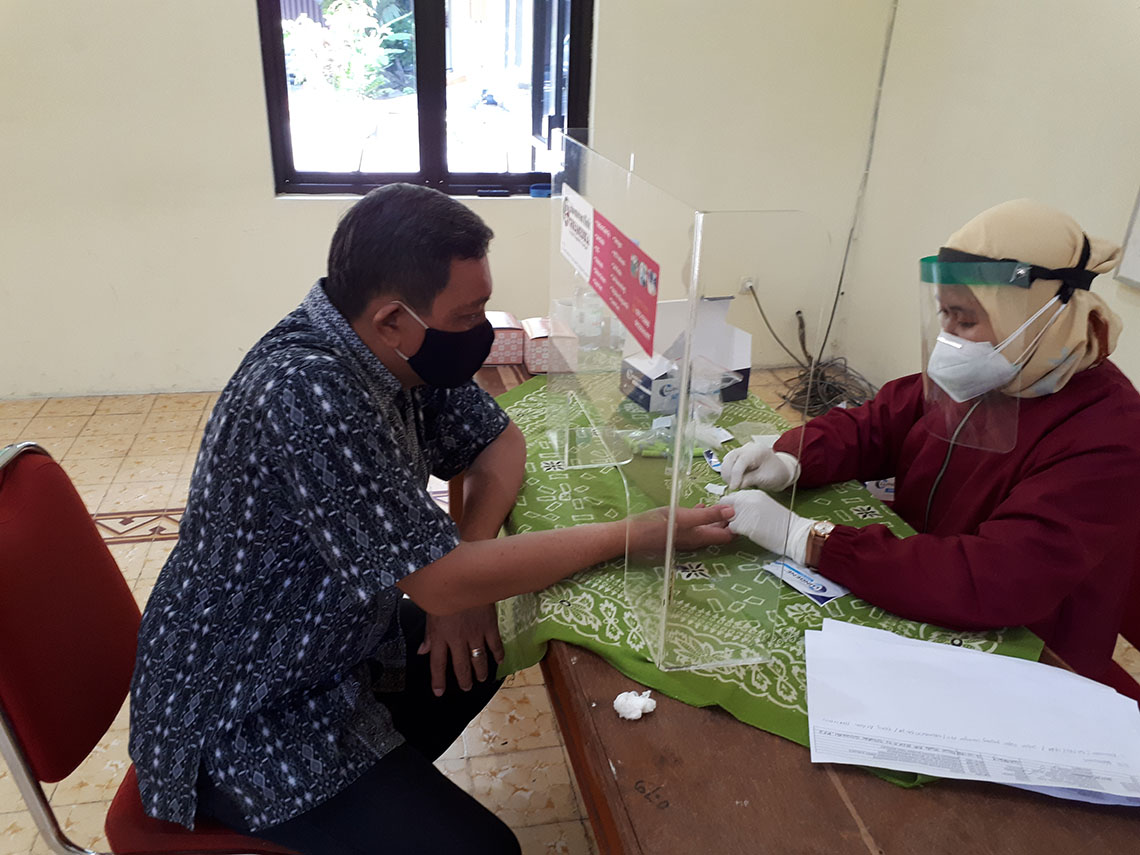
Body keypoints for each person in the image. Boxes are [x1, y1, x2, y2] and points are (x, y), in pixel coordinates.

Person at [128, 183, 734, 855]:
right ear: (393, 318)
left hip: (335, 651)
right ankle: (363, 805)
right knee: (486, 851)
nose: (479, 330)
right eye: (467, 314)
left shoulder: (390, 351)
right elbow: (440, 581)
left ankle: (384, 797)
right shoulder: (307, 390)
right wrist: (632, 534)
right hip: (246, 712)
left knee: (488, 642)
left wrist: (463, 576)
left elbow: (499, 442)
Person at [719, 199, 1140, 682]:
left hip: (1026, 652)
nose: (949, 338)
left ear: (1037, 316)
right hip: (918, 582)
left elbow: (996, 578)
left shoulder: (1109, 433)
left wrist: (810, 540)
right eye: (944, 314)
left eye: (966, 320)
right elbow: (878, 423)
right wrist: (792, 458)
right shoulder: (1002, 371)